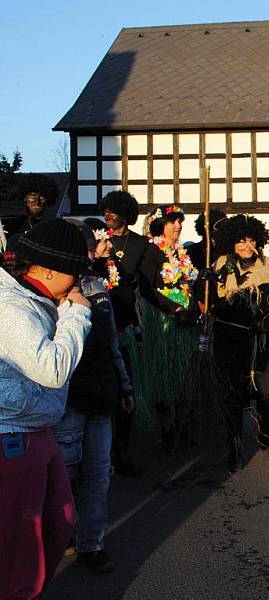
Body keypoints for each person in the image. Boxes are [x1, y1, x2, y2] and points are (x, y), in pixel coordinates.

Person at [0, 219, 92, 599]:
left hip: (37, 427)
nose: (78, 284)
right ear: (49, 269)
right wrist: (77, 315)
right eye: (75, 273)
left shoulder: (36, 299)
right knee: (22, 542)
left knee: (60, 520)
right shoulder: (10, 306)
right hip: (12, 434)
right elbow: (51, 369)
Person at [53, 220, 134, 574]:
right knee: (67, 476)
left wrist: (125, 385)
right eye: (89, 246)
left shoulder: (99, 289)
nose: (94, 252)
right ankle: (62, 535)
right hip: (68, 400)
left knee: (99, 476)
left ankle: (92, 545)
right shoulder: (51, 294)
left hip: (102, 397)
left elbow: (112, 345)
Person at [208, 214, 269, 470]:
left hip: (261, 340)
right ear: (231, 243)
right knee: (232, 396)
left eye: (251, 240)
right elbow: (214, 306)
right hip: (230, 341)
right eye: (241, 242)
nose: (247, 246)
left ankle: (268, 435)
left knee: (267, 394)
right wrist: (205, 284)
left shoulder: (268, 266)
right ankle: (233, 446)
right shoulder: (221, 267)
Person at [97, 190, 150, 476]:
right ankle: (100, 454)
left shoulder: (140, 244)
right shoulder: (96, 241)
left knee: (125, 389)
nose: (108, 215)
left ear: (125, 215)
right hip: (98, 323)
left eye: (113, 211)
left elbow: (152, 281)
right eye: (106, 210)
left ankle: (123, 451)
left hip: (125, 323)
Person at [136, 205, 198, 448]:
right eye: (172, 222)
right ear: (160, 226)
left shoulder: (182, 253)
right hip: (164, 320)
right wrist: (172, 308)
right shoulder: (152, 252)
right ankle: (167, 427)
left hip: (186, 320)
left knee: (183, 374)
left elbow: (187, 284)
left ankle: (182, 423)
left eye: (179, 222)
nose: (178, 226)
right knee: (165, 373)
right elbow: (146, 288)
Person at [4, 174, 60, 243]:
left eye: (42, 196)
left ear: (48, 199)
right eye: (33, 195)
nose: (37, 201)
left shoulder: (54, 228)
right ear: (25, 198)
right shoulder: (13, 226)